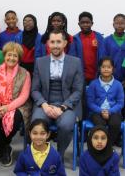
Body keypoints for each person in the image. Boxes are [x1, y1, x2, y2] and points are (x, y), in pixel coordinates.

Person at [31, 29, 83, 162]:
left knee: (65, 125)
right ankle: (41, 153)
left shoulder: (75, 62)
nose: (55, 45)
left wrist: (63, 107)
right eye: (52, 42)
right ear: (48, 43)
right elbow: (35, 90)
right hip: (45, 103)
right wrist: (44, 105)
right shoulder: (40, 62)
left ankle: (59, 154)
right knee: (37, 123)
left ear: (65, 43)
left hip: (67, 104)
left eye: (58, 42)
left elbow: (78, 90)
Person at [0, 42, 31, 166]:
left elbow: (24, 96)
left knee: (14, 121)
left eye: (15, 56)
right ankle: (5, 147)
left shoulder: (25, 73)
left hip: (16, 106)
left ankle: (2, 148)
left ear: (19, 58)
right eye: (9, 55)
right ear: (4, 56)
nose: (11, 58)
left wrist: (7, 108)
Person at [87, 57, 124, 145]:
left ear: (113, 69)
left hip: (114, 112)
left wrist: (110, 111)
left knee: (115, 123)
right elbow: (90, 103)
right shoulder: (93, 84)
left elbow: (120, 103)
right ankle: (99, 145)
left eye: (109, 67)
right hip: (96, 112)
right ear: (99, 68)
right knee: (100, 125)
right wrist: (101, 111)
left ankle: (108, 146)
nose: (106, 69)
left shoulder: (118, 85)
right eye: (103, 67)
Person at [69, 11, 105, 85]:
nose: (85, 24)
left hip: (97, 76)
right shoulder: (75, 39)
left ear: (92, 23)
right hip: (80, 77)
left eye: (87, 22)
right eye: (83, 22)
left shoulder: (99, 37)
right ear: (79, 24)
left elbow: (103, 56)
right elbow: (72, 58)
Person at [104, 13, 125, 82]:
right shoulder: (106, 41)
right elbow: (103, 60)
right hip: (110, 78)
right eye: (117, 23)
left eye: (122, 23)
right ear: (113, 25)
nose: (119, 25)